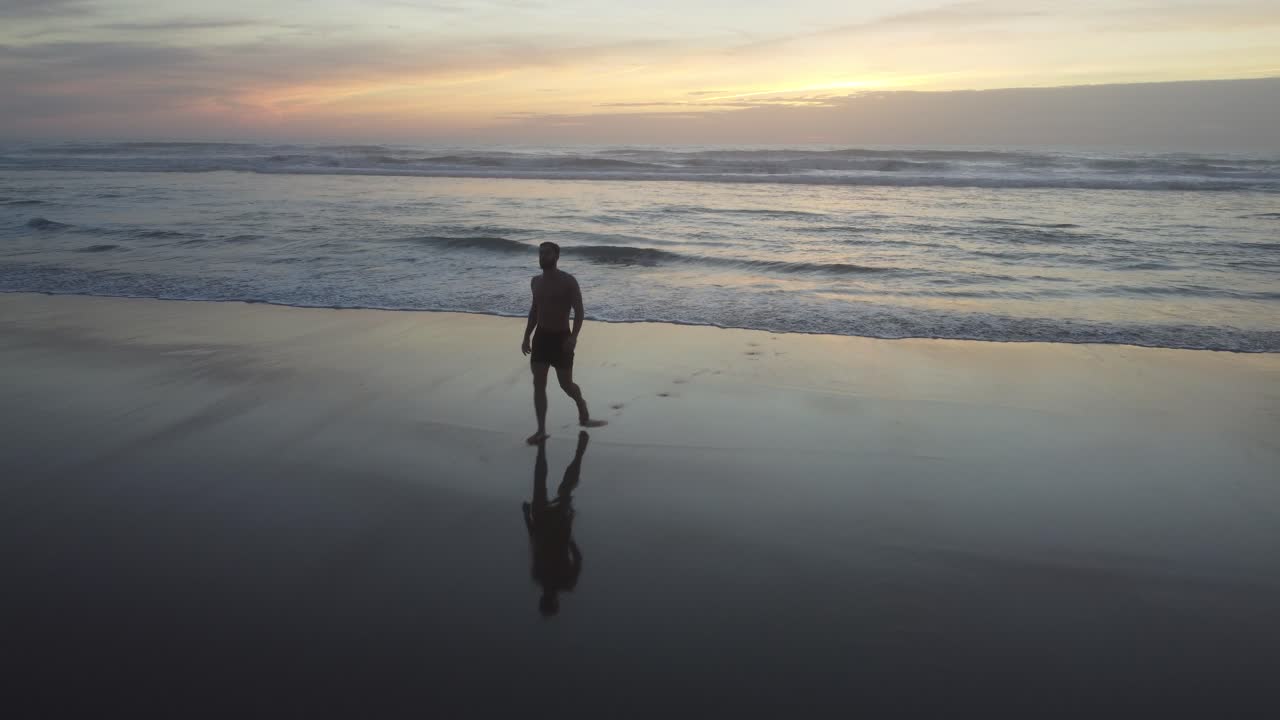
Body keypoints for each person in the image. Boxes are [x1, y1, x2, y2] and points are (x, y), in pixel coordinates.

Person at [521, 241, 606, 445]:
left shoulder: (568, 282)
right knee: (538, 384)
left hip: (561, 339)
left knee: (566, 385)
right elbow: (534, 311)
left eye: (547, 253)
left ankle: (581, 407)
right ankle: (541, 430)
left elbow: (579, 311)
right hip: (541, 337)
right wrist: (526, 336)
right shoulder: (535, 282)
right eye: (540, 253)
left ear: (556, 256)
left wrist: (573, 337)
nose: (542, 257)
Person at [522, 431, 589, 617]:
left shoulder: (564, 582)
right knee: (553, 486)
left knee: (562, 489)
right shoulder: (544, 578)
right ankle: (575, 453)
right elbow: (534, 543)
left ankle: (578, 452)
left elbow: (535, 544)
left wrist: (569, 530)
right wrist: (527, 517)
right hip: (548, 525)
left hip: (557, 529)